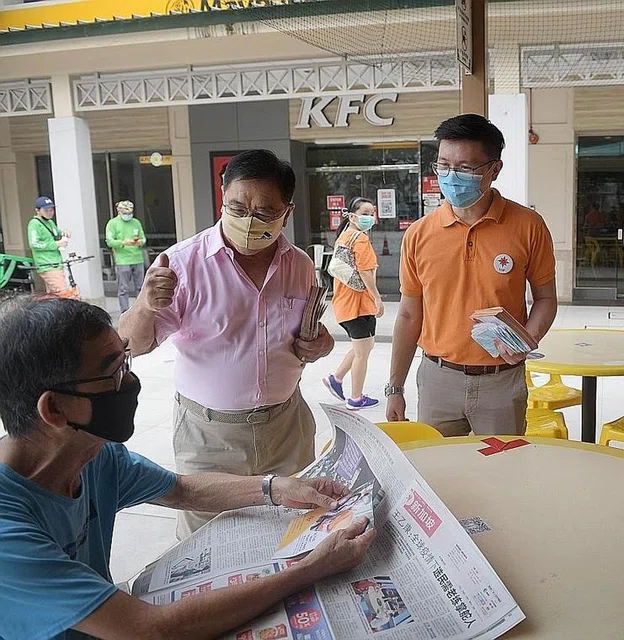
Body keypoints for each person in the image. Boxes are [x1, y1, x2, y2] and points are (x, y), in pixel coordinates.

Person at [0, 296, 374, 640]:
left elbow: (182, 490)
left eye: (126, 361)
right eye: (113, 373)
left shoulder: (94, 455)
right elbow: (151, 629)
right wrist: (309, 569)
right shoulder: (8, 532)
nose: (130, 383)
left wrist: (278, 488)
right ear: (54, 409)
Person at [118, 149, 335, 538]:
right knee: (208, 542)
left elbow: (305, 338)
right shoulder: (181, 263)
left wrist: (317, 345)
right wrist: (145, 306)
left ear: (288, 211)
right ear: (222, 198)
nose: (248, 221)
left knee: (294, 533)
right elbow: (131, 345)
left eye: (265, 212)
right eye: (236, 207)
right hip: (209, 436)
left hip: (287, 428)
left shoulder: (299, 265)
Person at [385, 114, 558, 436]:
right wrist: (395, 387)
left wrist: (527, 339)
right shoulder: (419, 234)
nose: (451, 176)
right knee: (440, 476)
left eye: (465, 168)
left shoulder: (528, 226)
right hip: (438, 379)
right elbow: (409, 315)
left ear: (494, 169)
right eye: (443, 165)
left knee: (500, 474)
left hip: (502, 381)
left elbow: (546, 298)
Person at [324, 197, 385, 410]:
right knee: (362, 352)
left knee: (365, 346)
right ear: (352, 216)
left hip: (345, 305)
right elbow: (365, 272)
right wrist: (377, 298)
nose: (370, 217)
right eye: (365, 213)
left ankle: (336, 379)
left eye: (372, 213)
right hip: (357, 306)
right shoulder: (359, 239)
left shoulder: (344, 237)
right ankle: (356, 398)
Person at [105, 200, 147, 313]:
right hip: (122, 260)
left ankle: (141, 310)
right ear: (119, 212)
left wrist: (140, 242)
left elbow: (143, 238)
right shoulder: (113, 223)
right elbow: (109, 241)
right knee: (123, 288)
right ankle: (125, 311)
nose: (128, 215)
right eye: (125, 213)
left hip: (137, 258)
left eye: (130, 213)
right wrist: (123, 242)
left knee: (140, 287)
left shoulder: (136, 222)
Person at [27, 196, 70, 294]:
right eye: (46, 210)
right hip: (47, 264)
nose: (50, 212)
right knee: (63, 293)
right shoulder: (34, 224)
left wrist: (64, 232)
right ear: (37, 210)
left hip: (56, 263)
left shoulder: (50, 222)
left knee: (53, 295)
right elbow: (34, 244)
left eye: (51, 209)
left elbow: (57, 234)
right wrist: (56, 244)